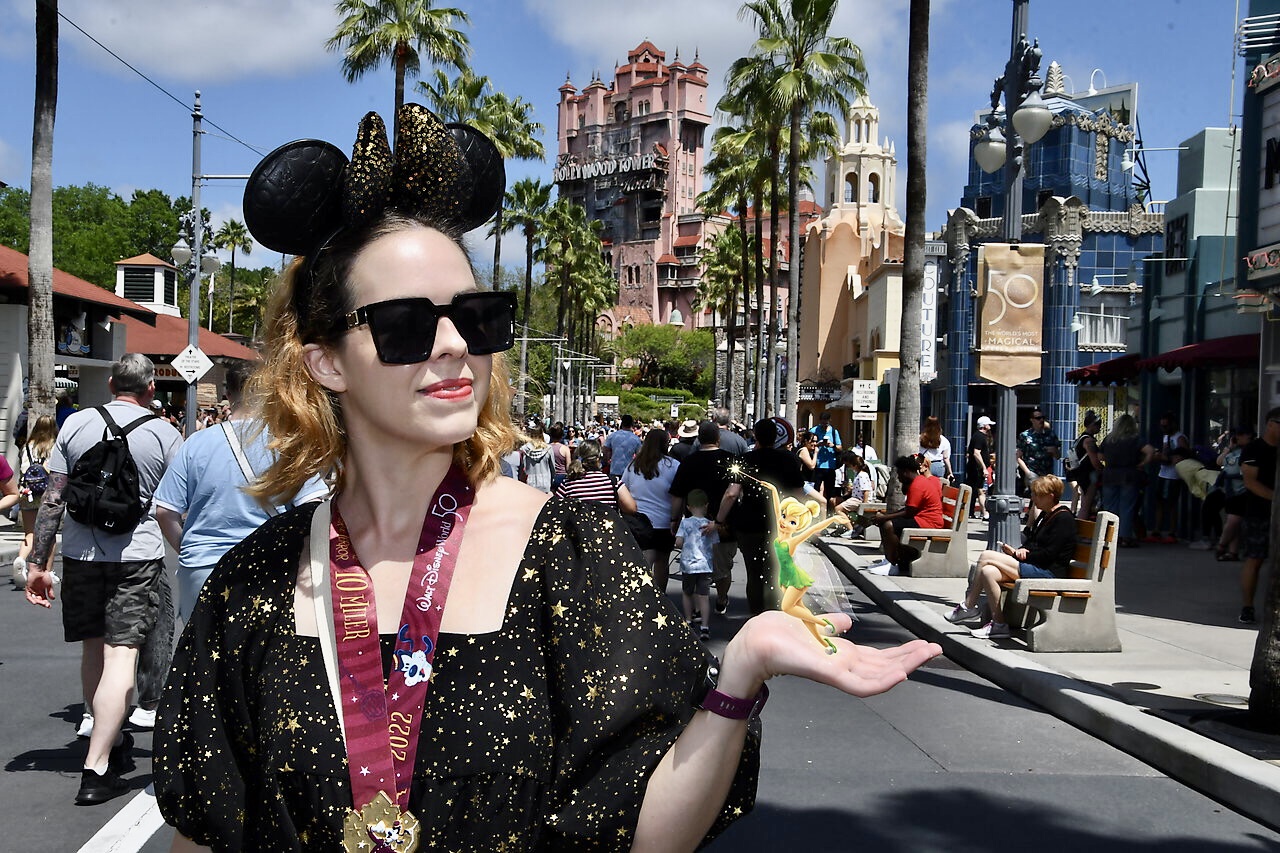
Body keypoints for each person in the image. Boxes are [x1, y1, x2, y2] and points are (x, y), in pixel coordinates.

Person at [152, 105, 939, 851]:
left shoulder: (574, 553)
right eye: (405, 326)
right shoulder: (251, 584)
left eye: (479, 315)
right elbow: (206, 833)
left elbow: (650, 833)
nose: (455, 345)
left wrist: (742, 670)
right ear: (325, 360)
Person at [25, 353, 183, 805]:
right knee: (122, 656)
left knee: (94, 647)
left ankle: (109, 738)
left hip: (80, 554)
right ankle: (96, 768)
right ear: (151, 389)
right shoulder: (165, 433)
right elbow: (173, 505)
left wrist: (39, 563)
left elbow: (53, 498)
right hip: (136, 556)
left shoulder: (75, 425)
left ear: (111, 383)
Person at [153, 365, 330, 623]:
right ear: (271, 392)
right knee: (259, 659)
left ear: (228, 393)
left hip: (202, 568)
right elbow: (312, 508)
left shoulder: (196, 444)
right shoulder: (287, 445)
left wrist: (189, 548)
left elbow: (165, 511)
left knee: (202, 657)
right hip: (268, 566)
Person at [945, 474, 1077, 639]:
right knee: (988, 572)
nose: (1033, 498)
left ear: (1050, 497)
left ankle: (969, 606)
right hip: (1037, 566)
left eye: (1037, 495)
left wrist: (1020, 555)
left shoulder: (1063, 518)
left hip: (1049, 572)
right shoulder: (1045, 514)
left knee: (986, 555)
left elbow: (1049, 555)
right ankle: (999, 624)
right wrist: (1024, 539)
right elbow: (1033, 543)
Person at [723, 418, 808, 615]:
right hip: (780, 524)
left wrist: (720, 519)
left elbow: (732, 493)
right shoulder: (789, 460)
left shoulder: (746, 459)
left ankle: (756, 615)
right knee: (775, 572)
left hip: (750, 523)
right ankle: (774, 614)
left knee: (754, 573)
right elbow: (798, 493)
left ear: (755, 435)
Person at [670, 420, 741, 616]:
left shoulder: (688, 462)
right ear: (718, 439)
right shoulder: (732, 460)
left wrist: (674, 520)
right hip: (724, 524)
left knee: (695, 566)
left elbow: (677, 494)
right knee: (723, 568)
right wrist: (719, 520)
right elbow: (733, 493)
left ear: (699, 439)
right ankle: (721, 597)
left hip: (694, 524)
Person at [621, 427, 680, 592]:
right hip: (664, 521)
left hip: (638, 521)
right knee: (662, 562)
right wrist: (677, 518)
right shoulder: (673, 465)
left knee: (643, 561)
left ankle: (641, 596)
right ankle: (660, 597)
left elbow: (623, 488)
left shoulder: (634, 465)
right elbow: (678, 495)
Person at [865, 456, 944, 576]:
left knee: (888, 525)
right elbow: (910, 509)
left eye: (899, 474)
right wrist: (888, 516)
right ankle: (890, 561)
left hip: (928, 522)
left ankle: (892, 564)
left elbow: (909, 513)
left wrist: (886, 517)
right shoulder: (919, 481)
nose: (899, 478)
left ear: (906, 472)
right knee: (888, 522)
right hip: (922, 518)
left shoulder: (917, 485)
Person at [1237, 409, 1279, 624]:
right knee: (1255, 558)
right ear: (1270, 424)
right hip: (1258, 513)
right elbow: (1250, 482)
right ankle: (1247, 606)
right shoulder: (1255, 449)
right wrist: (1276, 499)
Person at [13, 413, 56, 588]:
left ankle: (21, 559)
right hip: (47, 494)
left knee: (29, 533)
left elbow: (23, 469)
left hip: (27, 492)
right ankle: (47, 571)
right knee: (49, 535)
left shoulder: (27, 447)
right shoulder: (54, 447)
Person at [675, 489, 717, 641]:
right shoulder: (709, 525)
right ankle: (705, 626)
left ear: (688, 507)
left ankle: (688, 620)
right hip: (705, 565)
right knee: (704, 596)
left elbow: (679, 542)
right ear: (706, 506)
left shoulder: (685, 523)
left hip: (688, 565)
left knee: (687, 593)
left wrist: (681, 542)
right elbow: (714, 544)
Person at [1098, 413, 1145, 548]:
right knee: (1127, 507)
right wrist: (1142, 463)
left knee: (1110, 508)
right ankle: (1125, 537)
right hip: (1129, 475)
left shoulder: (1109, 439)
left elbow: (1100, 456)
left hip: (1110, 475)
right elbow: (1150, 451)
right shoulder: (1136, 439)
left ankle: (1110, 537)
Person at [555, 439, 638, 513]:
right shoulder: (613, 482)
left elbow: (556, 509)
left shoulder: (567, 484)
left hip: (578, 529)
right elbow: (631, 508)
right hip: (607, 528)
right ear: (598, 459)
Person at [1144, 412, 1190, 543]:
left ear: (1173, 424)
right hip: (1163, 473)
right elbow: (1165, 453)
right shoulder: (1166, 437)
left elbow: (1184, 454)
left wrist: (1169, 457)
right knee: (1159, 502)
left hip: (1174, 475)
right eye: (1162, 426)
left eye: (1166, 426)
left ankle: (1172, 531)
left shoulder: (1179, 438)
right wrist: (1160, 456)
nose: (1164, 429)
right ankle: (1157, 530)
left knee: (1171, 504)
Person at [1214, 426, 1255, 562]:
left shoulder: (1250, 451)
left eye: (1242, 436)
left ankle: (1221, 545)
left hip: (1245, 490)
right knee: (1233, 522)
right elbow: (1219, 462)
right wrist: (1229, 448)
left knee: (1233, 521)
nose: (1238, 438)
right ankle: (1233, 552)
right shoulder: (1232, 453)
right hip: (1232, 491)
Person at [1016, 407, 1060, 497]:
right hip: (1033, 472)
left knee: (1041, 499)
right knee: (1039, 496)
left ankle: (1031, 511)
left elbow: (1058, 456)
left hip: (1047, 473)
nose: (1041, 420)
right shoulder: (1025, 436)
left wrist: (1054, 451)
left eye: (1043, 418)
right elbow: (1018, 456)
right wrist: (1028, 473)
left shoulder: (1050, 434)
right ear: (1032, 420)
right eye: (1038, 418)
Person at [1068, 410, 1104, 519]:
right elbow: (1095, 461)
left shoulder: (1080, 438)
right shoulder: (1089, 441)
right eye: (1098, 424)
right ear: (1091, 425)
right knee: (1086, 505)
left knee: (1085, 503)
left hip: (1080, 475)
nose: (1100, 427)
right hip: (1088, 476)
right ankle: (1081, 530)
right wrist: (1102, 470)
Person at [830, 451, 875, 533]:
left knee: (838, 509)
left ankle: (850, 529)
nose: (849, 467)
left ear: (855, 465)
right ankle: (850, 526)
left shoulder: (862, 475)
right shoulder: (859, 474)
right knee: (840, 507)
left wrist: (864, 505)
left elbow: (866, 491)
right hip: (856, 498)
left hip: (858, 500)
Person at [966, 415, 995, 520]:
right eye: (988, 424)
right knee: (981, 490)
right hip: (977, 469)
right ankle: (985, 512)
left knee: (975, 490)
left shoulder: (977, 436)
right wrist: (983, 468)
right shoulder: (979, 437)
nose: (990, 426)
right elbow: (976, 453)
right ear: (984, 426)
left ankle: (971, 512)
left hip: (976, 468)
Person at [810, 410, 843, 497]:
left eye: (826, 422)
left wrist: (832, 445)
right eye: (823, 422)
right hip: (817, 465)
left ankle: (828, 509)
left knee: (830, 491)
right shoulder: (814, 430)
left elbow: (840, 447)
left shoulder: (833, 432)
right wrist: (818, 444)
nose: (824, 424)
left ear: (829, 420)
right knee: (815, 490)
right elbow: (808, 445)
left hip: (830, 466)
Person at [518, 422, 556, 494]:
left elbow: (523, 467)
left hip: (530, 483)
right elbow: (552, 468)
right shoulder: (548, 449)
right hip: (545, 483)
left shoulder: (524, 449)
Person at [918, 415, 952, 481]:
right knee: (937, 486)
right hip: (938, 466)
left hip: (925, 465)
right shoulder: (944, 440)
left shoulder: (920, 438)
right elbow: (946, 458)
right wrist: (950, 472)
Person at [796, 429, 822, 495]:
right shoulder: (803, 450)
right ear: (806, 441)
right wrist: (816, 453)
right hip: (805, 483)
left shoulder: (809, 452)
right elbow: (811, 466)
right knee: (822, 501)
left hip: (811, 482)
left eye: (816, 441)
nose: (815, 444)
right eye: (812, 441)